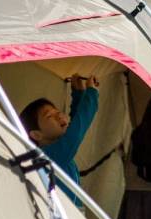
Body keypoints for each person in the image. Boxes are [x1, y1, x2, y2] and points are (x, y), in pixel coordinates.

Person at [19, 74, 100, 206]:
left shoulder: (57, 150)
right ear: (36, 135)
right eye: (50, 116)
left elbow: (73, 127)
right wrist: (91, 94)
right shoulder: (47, 157)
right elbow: (76, 132)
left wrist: (79, 93)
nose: (59, 116)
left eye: (57, 113)